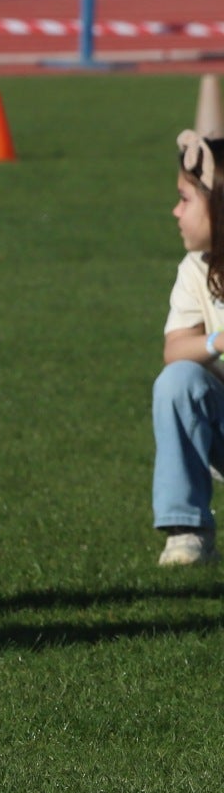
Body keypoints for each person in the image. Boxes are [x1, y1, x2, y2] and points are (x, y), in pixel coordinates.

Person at [156, 130, 224, 566]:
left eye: (185, 199)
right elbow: (175, 348)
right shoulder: (195, 269)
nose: (175, 211)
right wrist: (218, 341)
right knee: (178, 380)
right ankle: (188, 531)